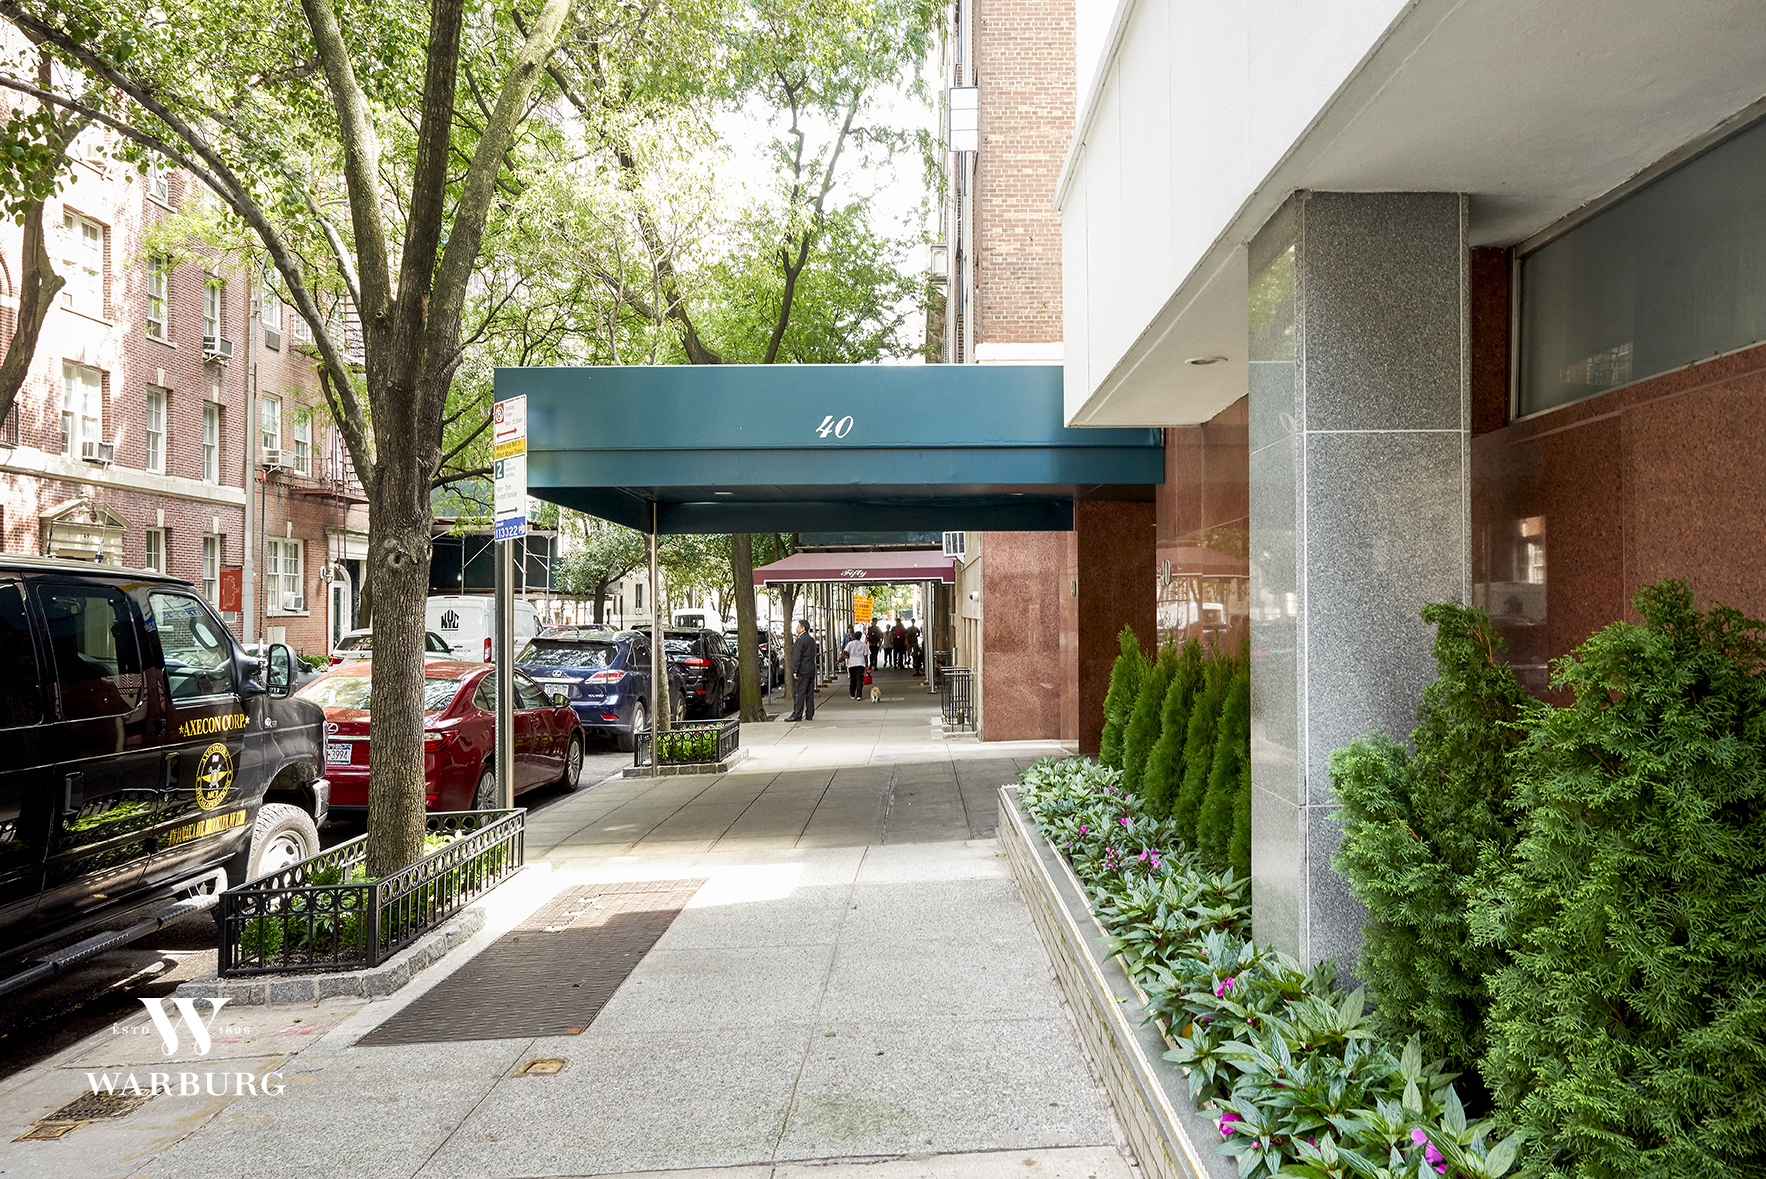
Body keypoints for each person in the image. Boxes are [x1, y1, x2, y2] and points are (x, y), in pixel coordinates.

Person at [786, 618, 817, 722]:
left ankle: (797, 714)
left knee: (799, 693)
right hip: (811, 669)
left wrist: (794, 670)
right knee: (810, 693)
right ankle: (809, 714)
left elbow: (796, 656)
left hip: (802, 670)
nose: (796, 628)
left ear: (803, 628)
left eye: (798, 626)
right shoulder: (811, 640)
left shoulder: (800, 640)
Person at [844, 628, 869, 698]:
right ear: (860, 637)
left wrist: (839, 660)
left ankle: (852, 694)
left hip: (852, 664)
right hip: (861, 664)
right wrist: (867, 665)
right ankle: (859, 695)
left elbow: (845, 652)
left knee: (853, 679)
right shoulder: (863, 645)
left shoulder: (850, 644)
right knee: (859, 680)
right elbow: (865, 656)